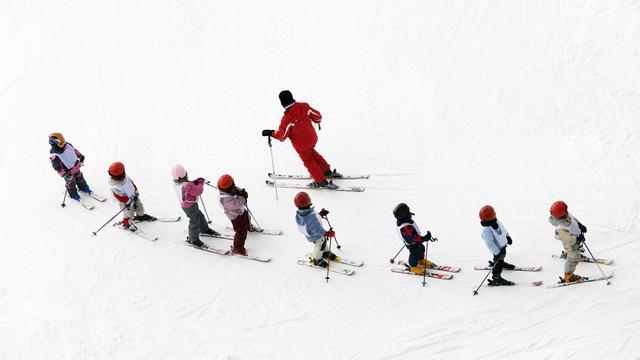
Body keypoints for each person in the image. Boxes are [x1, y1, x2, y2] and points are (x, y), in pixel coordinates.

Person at [261, 90, 342, 189]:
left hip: (301, 145)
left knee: (308, 161)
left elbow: (282, 137)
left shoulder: (287, 118)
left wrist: (271, 132)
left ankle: (321, 181)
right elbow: (318, 116)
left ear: (282, 103)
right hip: (312, 138)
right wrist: (315, 121)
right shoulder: (304, 106)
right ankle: (327, 171)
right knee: (313, 153)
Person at [171, 164, 219, 248]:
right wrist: (200, 183)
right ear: (185, 175)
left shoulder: (177, 184)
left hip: (188, 205)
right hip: (190, 207)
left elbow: (188, 185)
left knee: (199, 216)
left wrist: (195, 181)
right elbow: (198, 191)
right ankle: (193, 239)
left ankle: (204, 229)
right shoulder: (187, 186)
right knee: (194, 221)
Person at [108, 162, 155, 231]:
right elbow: (120, 197)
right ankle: (127, 224)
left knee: (140, 207)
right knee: (129, 214)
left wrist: (136, 192)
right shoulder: (114, 187)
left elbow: (132, 184)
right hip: (125, 203)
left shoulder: (126, 177)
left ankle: (140, 216)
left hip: (133, 196)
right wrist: (128, 202)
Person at [392, 203, 438, 275]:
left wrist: (423, 237)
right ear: (403, 214)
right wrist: (425, 238)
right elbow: (413, 238)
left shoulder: (406, 220)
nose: (409, 213)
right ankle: (413, 267)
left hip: (415, 239)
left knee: (421, 248)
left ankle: (420, 261)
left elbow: (414, 233)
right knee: (415, 252)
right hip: (411, 242)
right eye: (407, 211)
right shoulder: (405, 227)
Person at [294, 191, 337, 267]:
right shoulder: (310, 217)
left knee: (323, 242)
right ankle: (316, 259)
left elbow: (311, 221)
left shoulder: (302, 213)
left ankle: (325, 252)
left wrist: (320, 215)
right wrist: (326, 233)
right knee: (320, 244)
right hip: (315, 236)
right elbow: (316, 228)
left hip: (310, 234)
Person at [548, 200, 587, 283]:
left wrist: (580, 225)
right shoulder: (561, 228)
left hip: (574, 235)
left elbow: (572, 219)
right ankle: (568, 276)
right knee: (574, 257)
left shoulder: (565, 215)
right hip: (570, 241)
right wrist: (577, 238)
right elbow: (569, 240)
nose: (567, 211)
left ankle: (575, 253)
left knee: (577, 246)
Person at [48, 132, 94, 202]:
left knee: (80, 177)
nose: (63, 144)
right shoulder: (55, 155)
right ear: (54, 143)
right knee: (71, 183)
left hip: (76, 166)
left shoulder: (68, 145)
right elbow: (58, 168)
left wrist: (80, 156)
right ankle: (73, 195)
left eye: (63, 142)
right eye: (61, 143)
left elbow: (74, 151)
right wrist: (64, 175)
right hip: (68, 173)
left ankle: (83, 188)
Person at [479, 205, 516, 286]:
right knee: (499, 260)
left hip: (502, 245)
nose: (494, 216)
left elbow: (503, 229)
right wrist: (497, 253)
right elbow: (490, 244)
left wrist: (507, 236)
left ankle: (500, 262)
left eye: (493, 214)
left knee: (502, 256)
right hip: (497, 249)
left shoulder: (496, 221)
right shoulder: (486, 230)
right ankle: (496, 277)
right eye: (491, 215)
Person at [217, 174, 253, 256]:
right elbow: (236, 204)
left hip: (240, 211)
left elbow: (236, 189)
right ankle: (237, 248)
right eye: (233, 185)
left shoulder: (230, 189)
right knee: (241, 231)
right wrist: (242, 197)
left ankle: (248, 226)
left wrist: (241, 191)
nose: (234, 186)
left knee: (247, 217)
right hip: (235, 216)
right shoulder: (226, 200)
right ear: (228, 188)